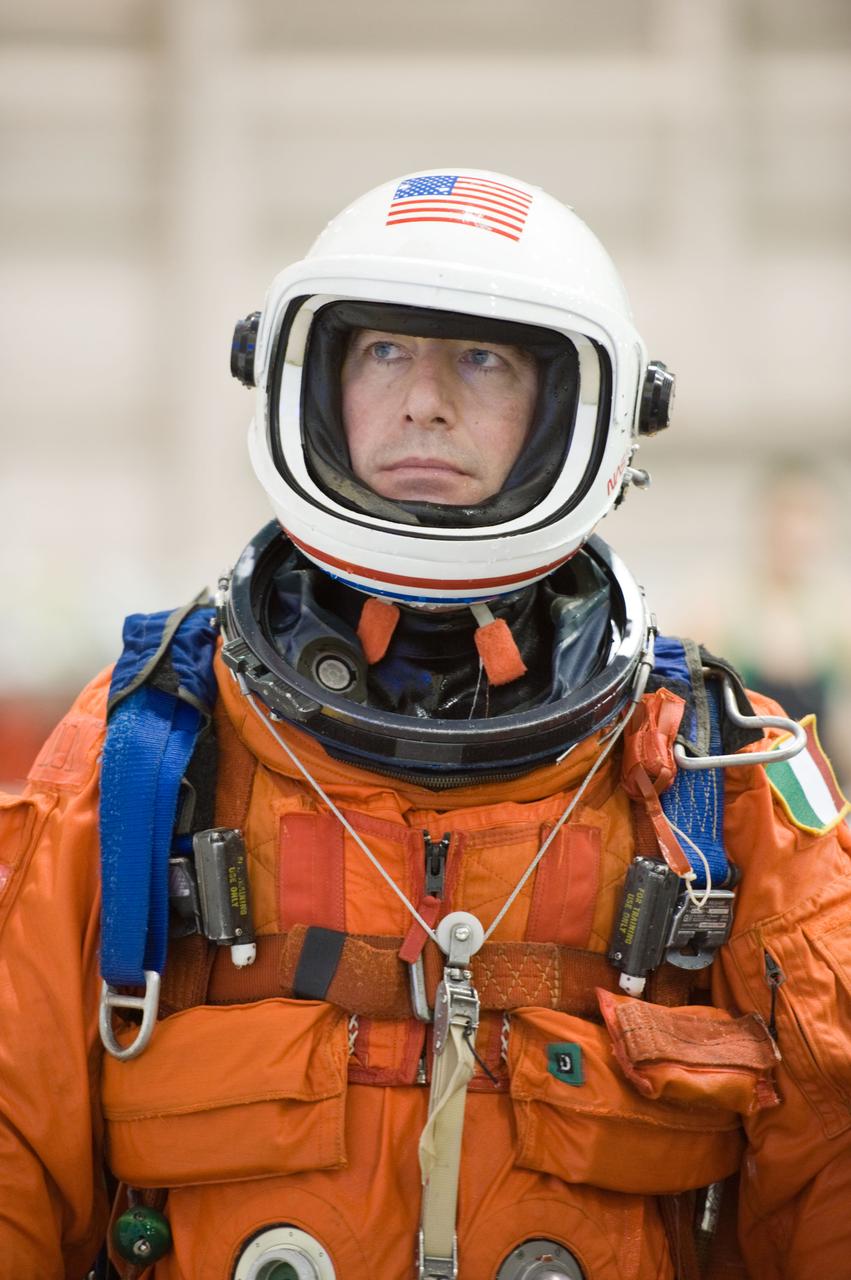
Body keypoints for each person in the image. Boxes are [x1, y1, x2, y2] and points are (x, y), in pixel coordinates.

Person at [1, 168, 849, 1280]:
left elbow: (830, 1162)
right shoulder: (147, 748)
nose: (422, 401)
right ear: (313, 385)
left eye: (481, 360)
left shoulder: (712, 774)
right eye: (383, 352)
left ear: (575, 412)